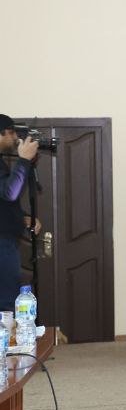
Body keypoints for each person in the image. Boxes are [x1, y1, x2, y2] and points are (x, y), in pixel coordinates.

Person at [0, 115, 41, 313]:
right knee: (7, 303)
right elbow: (10, 192)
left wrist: (22, 216)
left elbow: (3, 198)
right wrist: (24, 160)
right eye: (12, 133)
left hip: (5, 240)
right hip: (2, 243)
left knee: (7, 301)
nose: (16, 138)